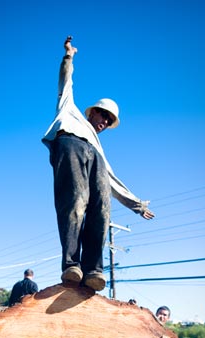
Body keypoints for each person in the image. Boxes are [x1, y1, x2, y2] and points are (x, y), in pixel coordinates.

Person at [42, 36, 155, 292]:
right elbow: (65, 80)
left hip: (94, 158)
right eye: (102, 114)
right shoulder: (68, 109)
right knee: (75, 202)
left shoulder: (99, 146)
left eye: (109, 119)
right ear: (91, 112)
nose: (104, 121)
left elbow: (113, 181)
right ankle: (72, 264)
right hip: (70, 144)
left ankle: (93, 269)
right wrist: (68, 56)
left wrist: (136, 205)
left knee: (101, 210)